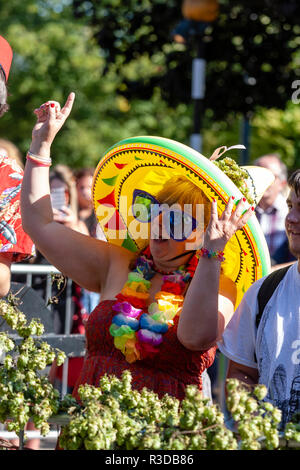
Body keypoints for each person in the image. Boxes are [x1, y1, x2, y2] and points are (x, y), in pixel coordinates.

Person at [20, 93, 273, 405]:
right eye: (154, 212)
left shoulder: (218, 285)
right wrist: (41, 146)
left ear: (203, 233)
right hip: (94, 425)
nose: (160, 226)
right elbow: (40, 226)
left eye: (178, 221)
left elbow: (194, 338)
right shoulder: (119, 263)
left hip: (166, 435)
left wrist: (211, 254)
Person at [218, 169, 300, 427]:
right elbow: (241, 374)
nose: (292, 218)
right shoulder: (264, 291)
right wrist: (255, 424)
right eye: (290, 206)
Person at [253, 154, 295, 264]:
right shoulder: (242, 211)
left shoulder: (293, 214)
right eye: (257, 175)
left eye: (269, 177)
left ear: (282, 183)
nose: (262, 181)